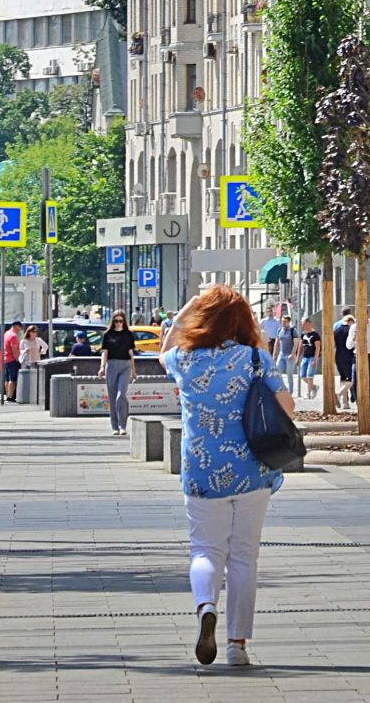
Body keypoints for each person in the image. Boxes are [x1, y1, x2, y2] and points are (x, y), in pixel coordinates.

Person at [161, 285, 292, 670]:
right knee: (244, 556)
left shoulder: (185, 359)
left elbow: (162, 347)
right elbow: (287, 405)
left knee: (205, 550)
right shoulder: (254, 358)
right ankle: (237, 645)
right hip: (252, 468)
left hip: (201, 470)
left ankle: (205, 606)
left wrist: (190, 306)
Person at [100, 310, 141, 434]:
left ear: (124, 321)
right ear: (113, 322)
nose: (118, 323)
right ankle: (115, 427)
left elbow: (131, 353)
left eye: (120, 321)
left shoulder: (128, 334)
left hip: (125, 365)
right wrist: (102, 367)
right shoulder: (108, 335)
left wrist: (134, 371)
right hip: (111, 365)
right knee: (112, 397)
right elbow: (105, 352)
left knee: (121, 394)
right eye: (116, 321)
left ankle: (123, 426)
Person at [0, 323, 21, 399]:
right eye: (19, 327)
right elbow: (14, 349)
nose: (20, 330)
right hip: (12, 360)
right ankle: (10, 396)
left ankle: (8, 395)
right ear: (16, 326)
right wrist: (17, 359)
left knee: (7, 379)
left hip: (6, 359)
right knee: (13, 379)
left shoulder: (6, 334)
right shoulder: (13, 336)